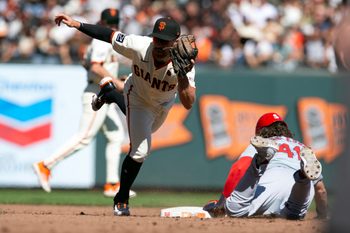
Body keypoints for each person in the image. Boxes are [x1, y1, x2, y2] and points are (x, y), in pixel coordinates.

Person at [54, 13, 196, 216]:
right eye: (157, 38)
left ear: (175, 42)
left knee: (148, 130)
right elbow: (108, 34)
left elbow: (188, 102)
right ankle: (121, 198)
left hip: (162, 105)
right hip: (136, 96)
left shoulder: (185, 63)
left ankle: (110, 93)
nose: (158, 44)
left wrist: (182, 75)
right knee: (140, 150)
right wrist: (77, 24)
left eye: (164, 41)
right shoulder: (139, 44)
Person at [33, 8, 136, 198]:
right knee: (85, 137)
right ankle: (46, 165)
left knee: (115, 136)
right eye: (111, 23)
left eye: (115, 22)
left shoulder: (102, 41)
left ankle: (112, 184)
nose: (114, 26)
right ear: (103, 23)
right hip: (97, 93)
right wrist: (117, 81)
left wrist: (114, 78)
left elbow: (88, 64)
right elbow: (95, 66)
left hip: (105, 90)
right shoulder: (100, 41)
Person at [203, 112, 328, 220]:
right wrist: (323, 216)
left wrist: (221, 203)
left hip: (272, 185)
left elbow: (239, 168)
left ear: (260, 132)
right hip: (300, 195)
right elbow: (321, 190)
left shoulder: (265, 143)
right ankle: (302, 176)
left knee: (234, 210)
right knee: (294, 214)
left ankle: (259, 160)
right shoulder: (302, 148)